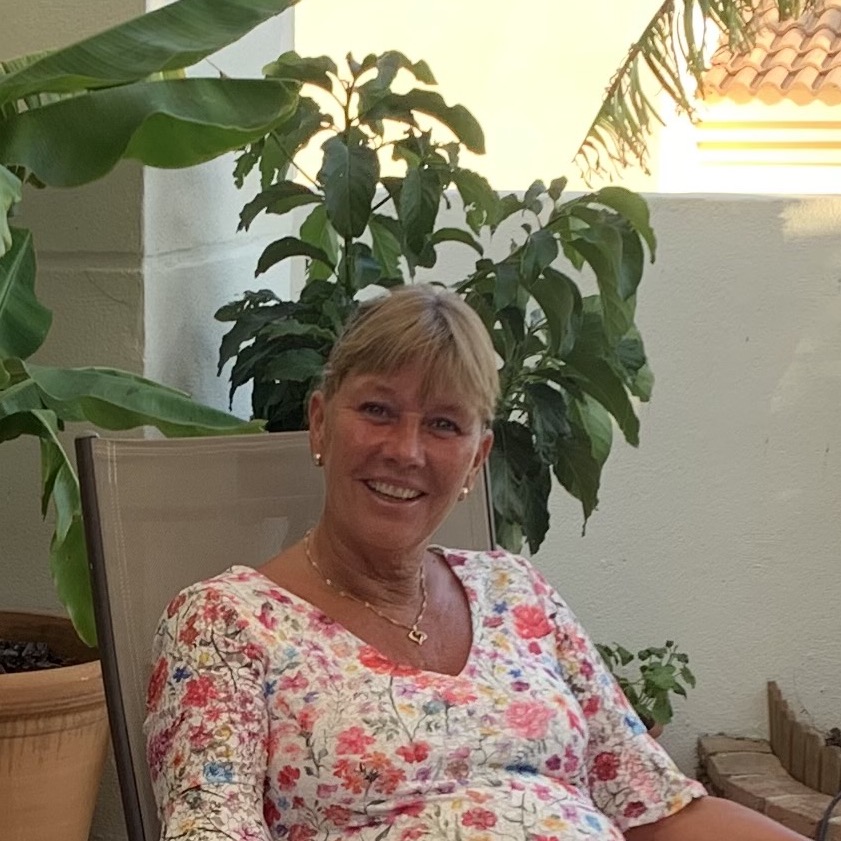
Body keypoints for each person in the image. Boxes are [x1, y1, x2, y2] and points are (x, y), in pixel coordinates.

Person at [145, 284, 807, 841]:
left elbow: (658, 808)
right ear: (320, 422)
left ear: (476, 460)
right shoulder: (225, 625)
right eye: (377, 410)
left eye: (443, 424)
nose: (405, 450)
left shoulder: (516, 592)